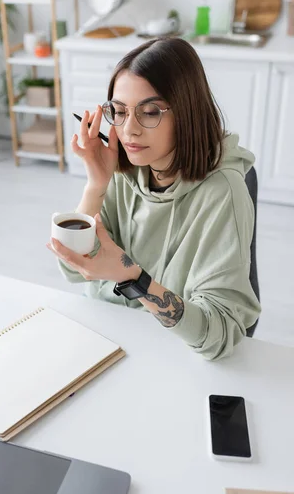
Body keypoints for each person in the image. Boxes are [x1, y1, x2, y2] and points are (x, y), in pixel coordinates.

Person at [47, 37, 261, 360]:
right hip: (113, 339)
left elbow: (218, 336)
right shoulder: (126, 171)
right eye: (118, 112)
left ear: (187, 112)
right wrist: (95, 184)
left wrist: (131, 277)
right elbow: (75, 270)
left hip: (177, 356)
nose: (129, 129)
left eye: (149, 112)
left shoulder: (223, 193)